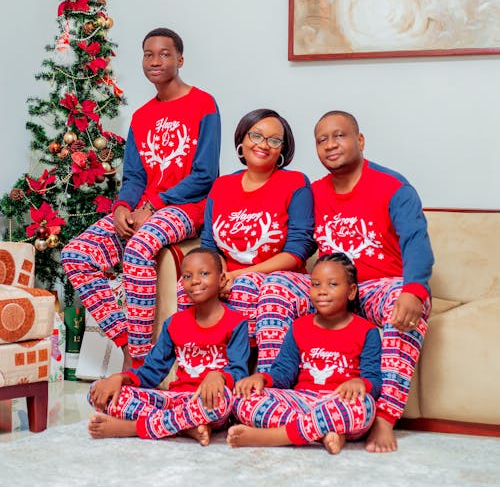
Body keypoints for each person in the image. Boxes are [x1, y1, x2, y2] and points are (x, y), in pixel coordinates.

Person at [256, 110, 434, 453]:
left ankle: (383, 418)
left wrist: (415, 289)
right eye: (322, 140)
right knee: (277, 285)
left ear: (360, 140)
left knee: (406, 298)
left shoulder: (393, 186)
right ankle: (271, 394)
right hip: (330, 288)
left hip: (380, 286)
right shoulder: (313, 191)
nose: (330, 145)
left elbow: (417, 244)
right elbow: (300, 243)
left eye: (339, 136)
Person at [62, 28, 221, 368]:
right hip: (144, 208)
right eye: (148, 54)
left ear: (180, 59)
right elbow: (134, 176)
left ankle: (140, 359)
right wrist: (122, 207)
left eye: (164, 54)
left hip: (186, 208)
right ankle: (126, 342)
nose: (155, 60)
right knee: (76, 254)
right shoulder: (142, 116)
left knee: (137, 249)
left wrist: (154, 205)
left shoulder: (203, 104)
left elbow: (205, 174)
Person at [177, 108, 315, 367]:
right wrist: (219, 275)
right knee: (188, 287)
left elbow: (298, 251)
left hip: (278, 277)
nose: (264, 145)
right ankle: (197, 374)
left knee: (246, 286)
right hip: (226, 273)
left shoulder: (295, 183)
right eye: (257, 135)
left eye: (274, 140)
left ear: (282, 149)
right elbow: (209, 243)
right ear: (242, 140)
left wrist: (236, 275)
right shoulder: (222, 186)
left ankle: (266, 380)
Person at [87, 247, 249, 443]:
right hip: (174, 400)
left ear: (222, 279)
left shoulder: (236, 323)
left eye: (204, 273)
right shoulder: (174, 324)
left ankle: (134, 427)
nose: (195, 281)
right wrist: (119, 378)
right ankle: (184, 427)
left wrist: (220, 376)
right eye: (188, 276)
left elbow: (240, 373)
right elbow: (151, 373)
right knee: (98, 390)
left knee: (223, 401)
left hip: (208, 402)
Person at [227, 253, 381, 453]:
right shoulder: (299, 327)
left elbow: (375, 382)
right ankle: (324, 433)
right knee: (242, 398)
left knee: (364, 407)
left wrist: (361, 383)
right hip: (300, 401)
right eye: (316, 285)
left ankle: (276, 436)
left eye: (332, 284)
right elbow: (283, 373)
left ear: (351, 291)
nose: (322, 291)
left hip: (338, 401)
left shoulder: (366, 331)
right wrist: (261, 378)